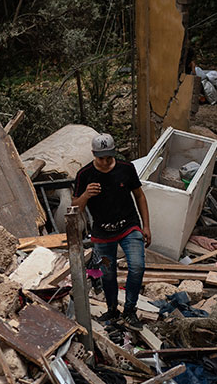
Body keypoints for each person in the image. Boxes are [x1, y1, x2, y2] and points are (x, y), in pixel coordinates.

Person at [72, 133, 151, 330]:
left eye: (109, 157)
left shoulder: (126, 168)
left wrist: (146, 226)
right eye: (101, 158)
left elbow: (140, 196)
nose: (106, 162)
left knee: (137, 266)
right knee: (106, 274)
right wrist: (86, 195)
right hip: (102, 233)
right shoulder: (84, 174)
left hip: (129, 227)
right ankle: (112, 309)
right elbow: (75, 207)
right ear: (94, 154)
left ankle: (130, 310)